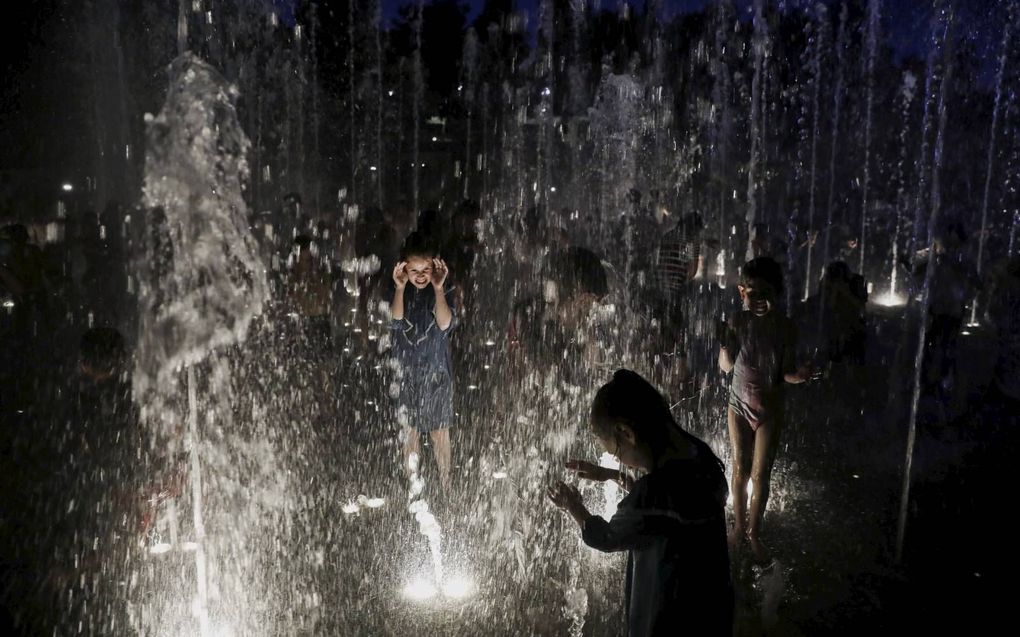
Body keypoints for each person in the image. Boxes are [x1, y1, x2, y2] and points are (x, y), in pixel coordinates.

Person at [548, 369, 733, 637]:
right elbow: (663, 511)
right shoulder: (699, 455)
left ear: (626, 432)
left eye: (615, 452)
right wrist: (611, 475)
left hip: (668, 618)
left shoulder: (651, 495)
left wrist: (573, 506)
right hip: (712, 611)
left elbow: (607, 537)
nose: (618, 459)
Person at [718, 257, 811, 561]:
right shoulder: (738, 322)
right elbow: (727, 366)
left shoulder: (786, 328)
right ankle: (737, 527)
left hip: (769, 410)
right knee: (740, 468)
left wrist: (799, 376)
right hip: (738, 405)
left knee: (761, 475)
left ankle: (754, 533)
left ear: (777, 294)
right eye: (751, 293)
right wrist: (723, 344)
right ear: (742, 292)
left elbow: (785, 372)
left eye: (765, 294)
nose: (758, 300)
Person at [390, 232, 457, 490]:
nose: (419, 275)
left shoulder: (443, 289)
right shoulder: (399, 289)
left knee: (439, 430)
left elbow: (444, 323)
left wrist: (439, 289)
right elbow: (396, 321)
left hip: (436, 372)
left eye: (425, 269)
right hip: (406, 373)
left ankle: (446, 482)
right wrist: (398, 288)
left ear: (434, 267)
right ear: (403, 269)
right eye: (413, 269)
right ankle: (413, 484)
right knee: (410, 432)